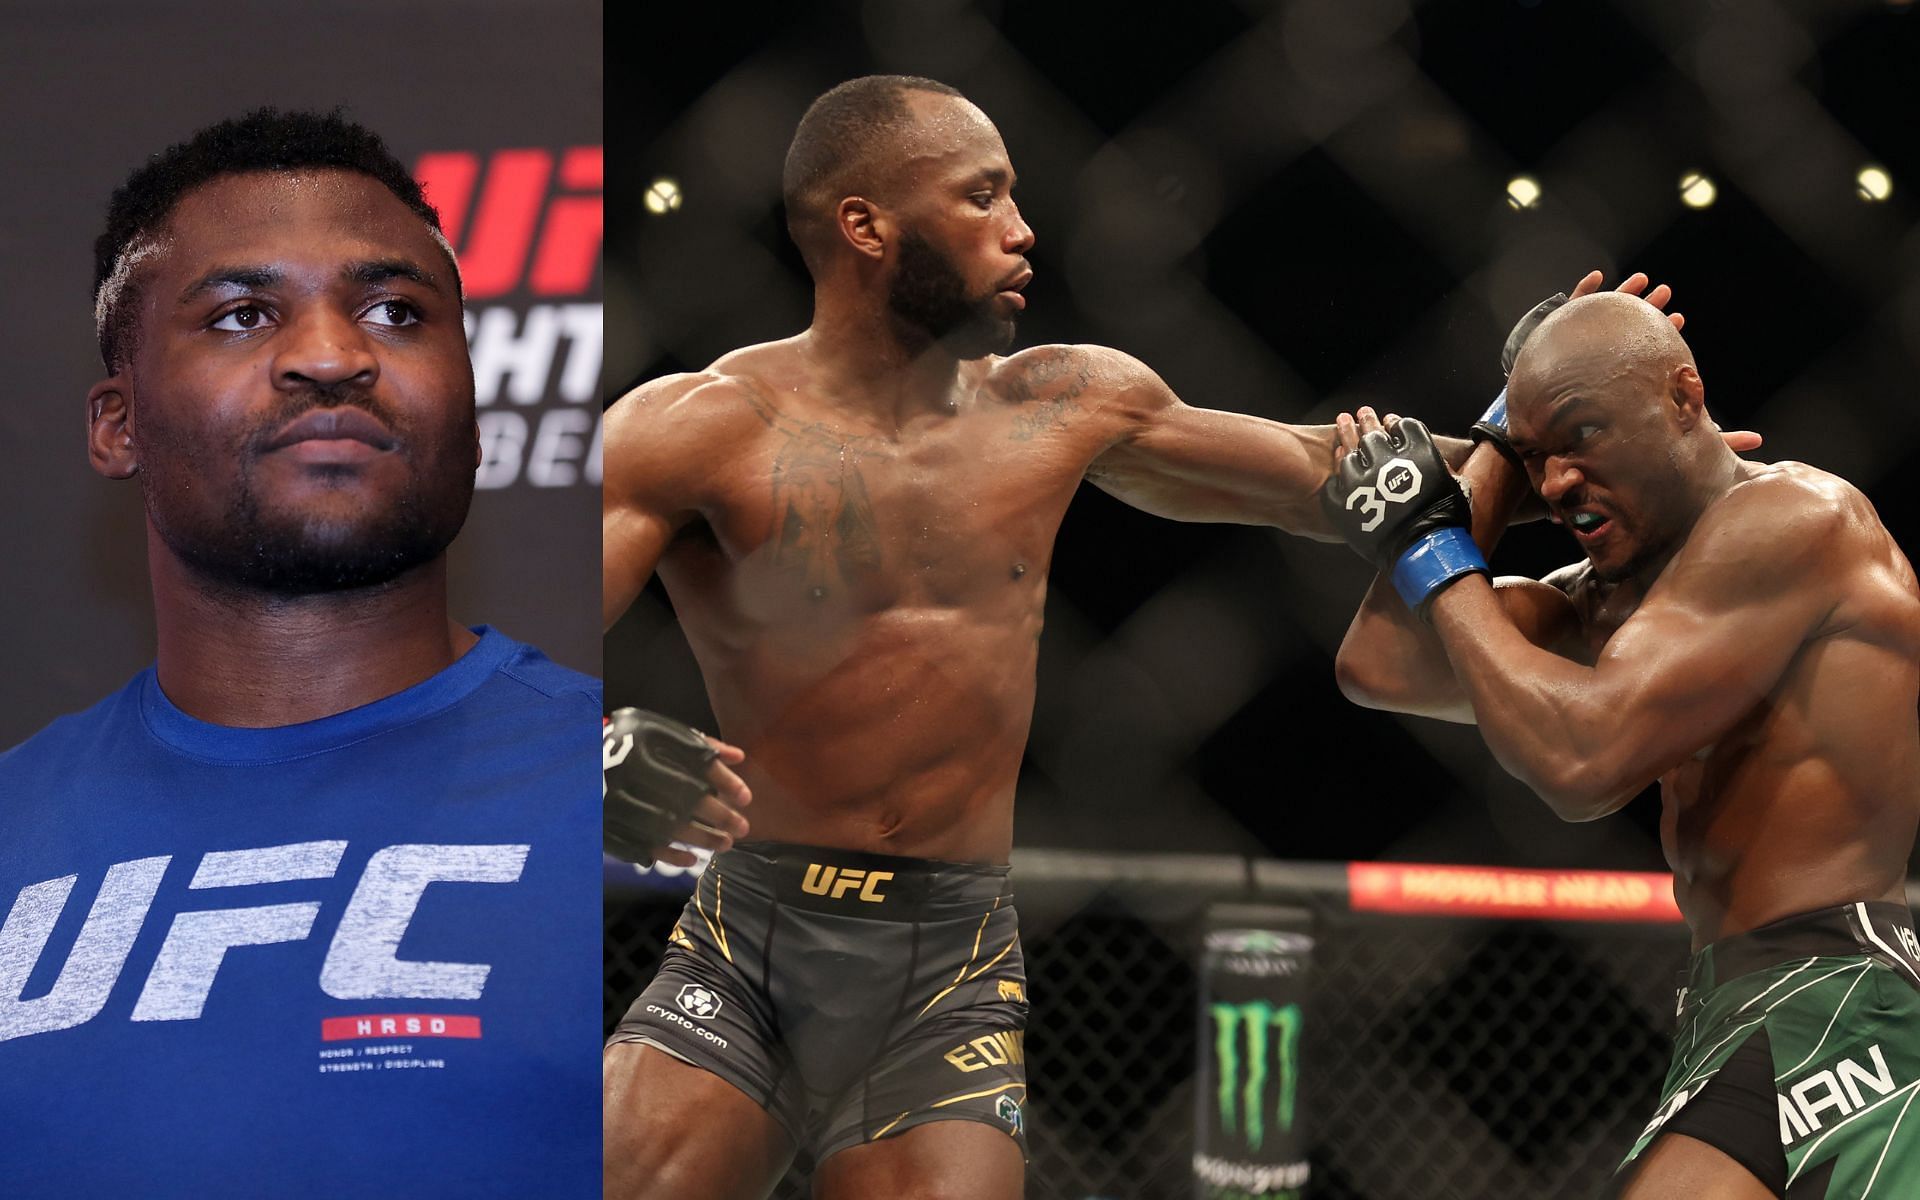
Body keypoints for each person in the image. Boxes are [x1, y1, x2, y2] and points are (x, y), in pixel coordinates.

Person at [598, 72, 1711, 1199]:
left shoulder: (1065, 403)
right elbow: (485, 649)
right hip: (757, 935)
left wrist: (1551, 424)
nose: (1023, 230)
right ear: (865, 224)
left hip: (948, 960)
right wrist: (586, 750)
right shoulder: (695, 431)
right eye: (982, 197)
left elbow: (1338, 478)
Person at [0, 109, 600, 1198]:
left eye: (395, 310)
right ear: (117, 425)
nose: (332, 355)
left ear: (473, 404)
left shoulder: (648, 806)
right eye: (241, 315)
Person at [1327, 291, 1920, 1198]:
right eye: (1540, 460)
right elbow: (1381, 663)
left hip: (1831, 991)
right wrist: (1496, 446)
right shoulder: (1616, 599)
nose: (1557, 482)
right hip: (1732, 1000)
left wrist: (1429, 540)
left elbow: (1583, 762)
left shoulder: (1800, 519)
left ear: (1684, 398)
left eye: (1584, 435)